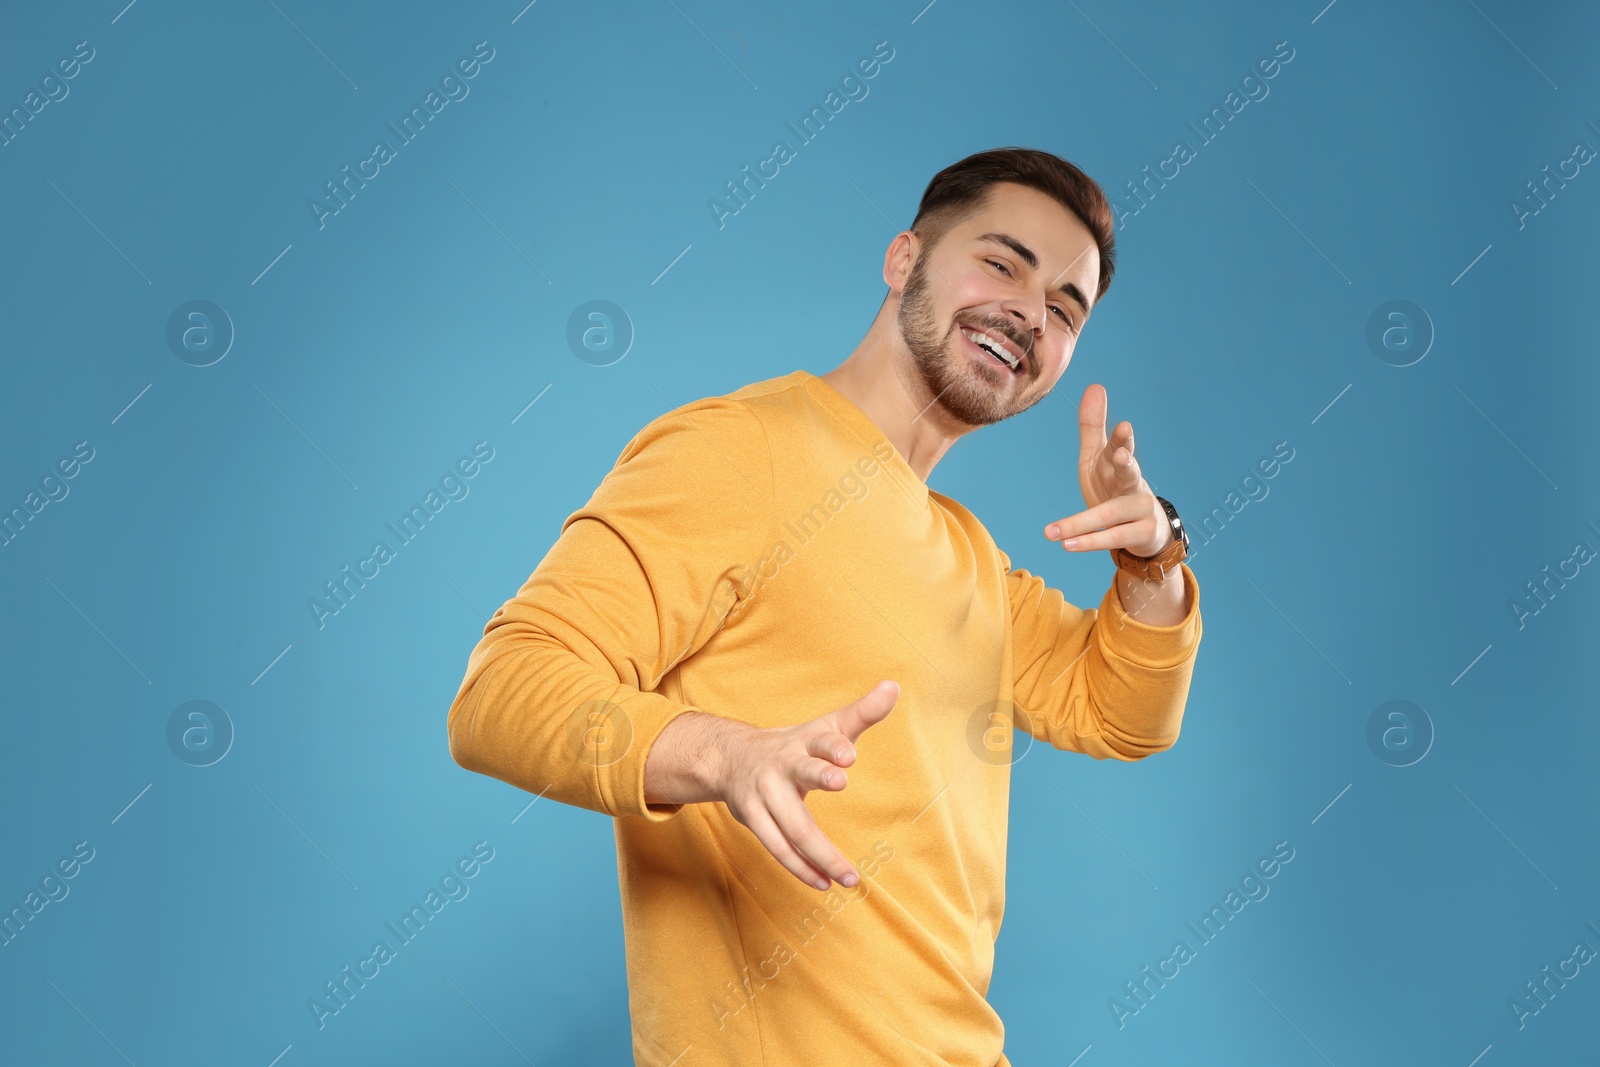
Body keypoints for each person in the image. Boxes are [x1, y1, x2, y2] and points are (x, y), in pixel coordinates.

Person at [446, 146, 1203, 1066]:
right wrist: (718, 753)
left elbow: (1124, 713)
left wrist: (1152, 555)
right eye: (1002, 262)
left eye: (1063, 307)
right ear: (902, 260)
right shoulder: (741, 449)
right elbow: (500, 692)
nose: (1028, 313)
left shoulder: (969, 554)